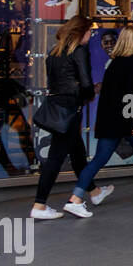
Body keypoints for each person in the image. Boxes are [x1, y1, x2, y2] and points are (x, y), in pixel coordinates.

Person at [64, 23, 133, 217]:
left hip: (109, 120)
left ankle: (75, 199)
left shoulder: (114, 63)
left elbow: (113, 95)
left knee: (98, 160)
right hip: (126, 118)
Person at [31, 16, 106, 219]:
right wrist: (91, 93)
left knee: (77, 152)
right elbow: (85, 81)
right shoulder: (79, 51)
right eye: (89, 32)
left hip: (57, 108)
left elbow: (55, 82)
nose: (91, 35)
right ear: (80, 32)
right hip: (71, 109)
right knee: (56, 157)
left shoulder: (54, 52)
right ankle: (40, 205)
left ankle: (94, 192)